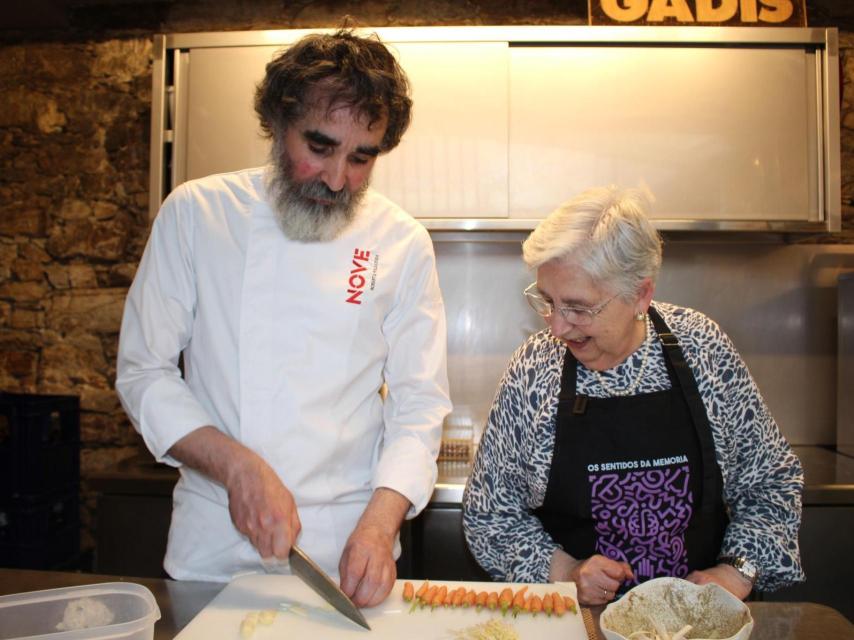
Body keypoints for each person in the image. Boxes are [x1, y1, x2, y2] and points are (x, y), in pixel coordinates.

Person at [116, 29, 451, 607]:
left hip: (344, 548)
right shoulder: (197, 216)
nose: (337, 177)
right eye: (319, 147)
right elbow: (144, 372)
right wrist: (238, 467)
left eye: (362, 157)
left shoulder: (401, 241)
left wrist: (381, 523)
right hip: (214, 545)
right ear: (277, 122)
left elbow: (419, 403)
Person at [462, 186, 804, 605]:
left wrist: (737, 572)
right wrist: (566, 572)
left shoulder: (703, 350)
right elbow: (489, 515)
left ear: (640, 294)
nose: (557, 327)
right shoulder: (534, 370)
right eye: (548, 302)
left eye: (579, 307)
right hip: (578, 624)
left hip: (699, 624)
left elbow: (772, 483)